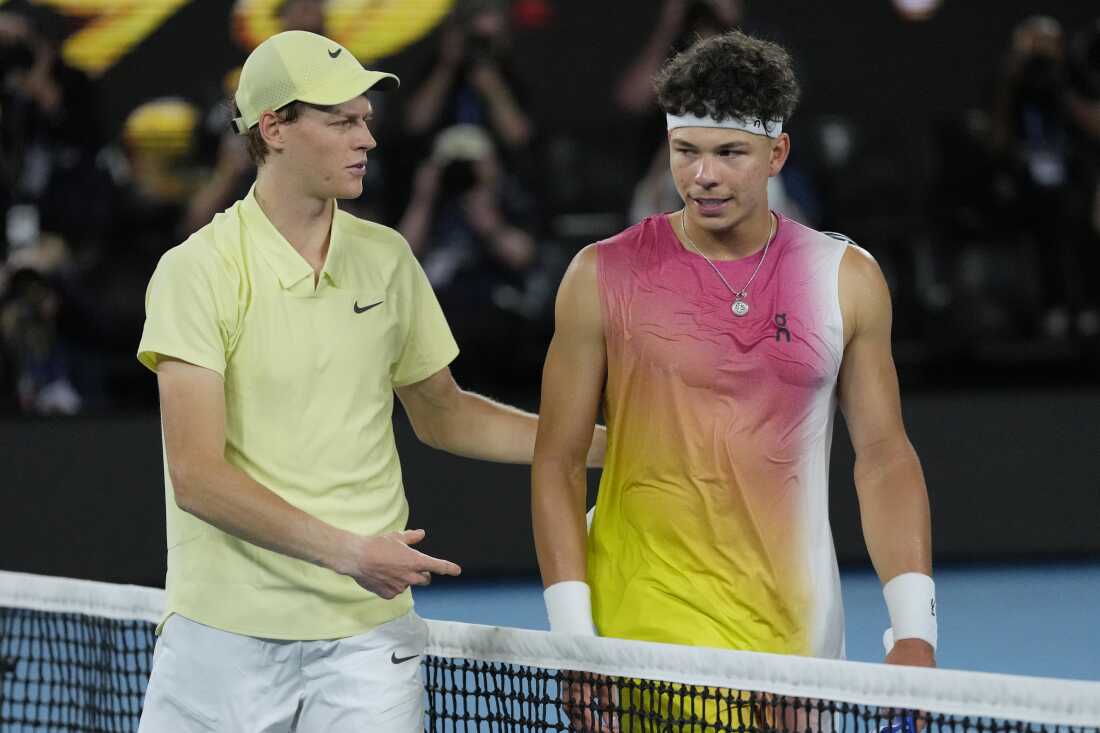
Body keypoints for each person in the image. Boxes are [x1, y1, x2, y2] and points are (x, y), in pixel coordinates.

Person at [135, 30, 603, 731]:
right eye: (342, 121)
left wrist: (609, 445)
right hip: (220, 639)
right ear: (275, 128)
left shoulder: (387, 259)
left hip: (365, 643)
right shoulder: (196, 271)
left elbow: (445, 415)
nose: (367, 139)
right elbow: (197, 475)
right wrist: (350, 552)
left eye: (365, 119)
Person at [531, 29, 935, 725]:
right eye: (686, 151)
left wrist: (915, 627)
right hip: (640, 629)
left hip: (794, 641)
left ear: (776, 152)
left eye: (729, 154)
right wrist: (574, 640)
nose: (703, 177)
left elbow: (885, 456)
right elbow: (557, 462)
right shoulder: (600, 274)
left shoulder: (846, 280)